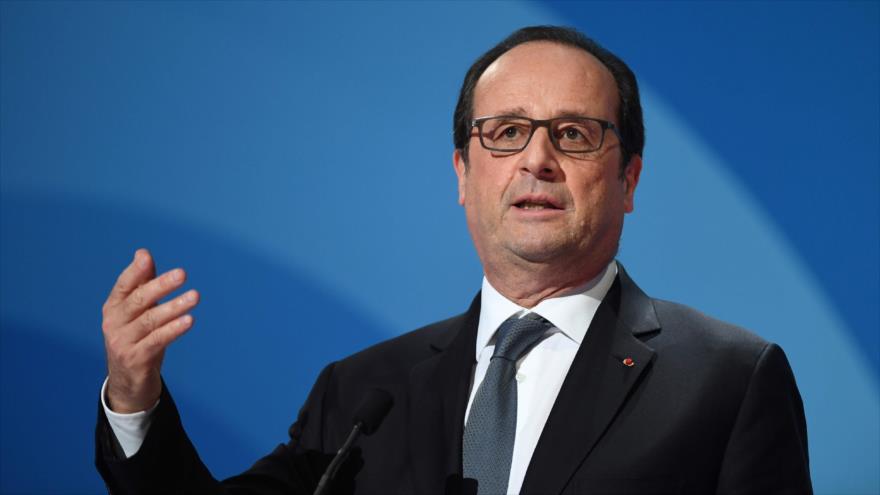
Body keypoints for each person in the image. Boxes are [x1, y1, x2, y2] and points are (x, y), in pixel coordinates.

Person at [95, 26, 812, 494]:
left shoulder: (728, 381)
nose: (537, 159)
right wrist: (135, 400)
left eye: (573, 133)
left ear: (628, 178)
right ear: (463, 175)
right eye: (505, 133)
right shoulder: (362, 395)